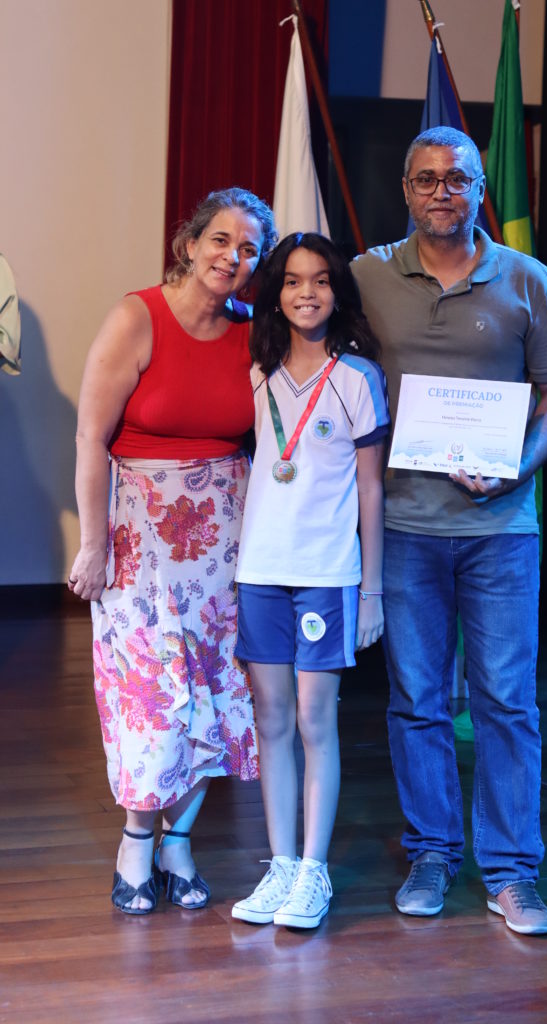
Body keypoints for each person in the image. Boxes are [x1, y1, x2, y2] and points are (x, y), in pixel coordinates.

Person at [351, 126, 547, 936]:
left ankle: (512, 872)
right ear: (404, 189)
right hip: (403, 527)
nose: (440, 191)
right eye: (425, 179)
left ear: (480, 189)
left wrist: (518, 465)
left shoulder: (526, 278)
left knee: (506, 703)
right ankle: (431, 853)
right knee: (416, 701)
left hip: (501, 529)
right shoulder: (367, 275)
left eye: (456, 179)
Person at [69, 188, 277, 915]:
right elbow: (90, 438)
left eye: (248, 250)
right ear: (189, 244)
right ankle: (136, 838)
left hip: (227, 538)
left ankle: (178, 841)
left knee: (216, 689)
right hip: (140, 535)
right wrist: (93, 544)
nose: (232, 258)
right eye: (221, 240)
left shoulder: (254, 331)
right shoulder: (137, 317)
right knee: (149, 692)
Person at [231, 232, 389, 929]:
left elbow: (371, 490)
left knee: (313, 718)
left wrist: (372, 589)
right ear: (275, 294)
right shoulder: (257, 372)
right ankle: (281, 865)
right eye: (293, 281)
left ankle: (314, 871)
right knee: (270, 719)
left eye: (320, 280)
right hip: (260, 571)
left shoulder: (357, 377)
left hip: (327, 574)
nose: (306, 293)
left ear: (337, 291)